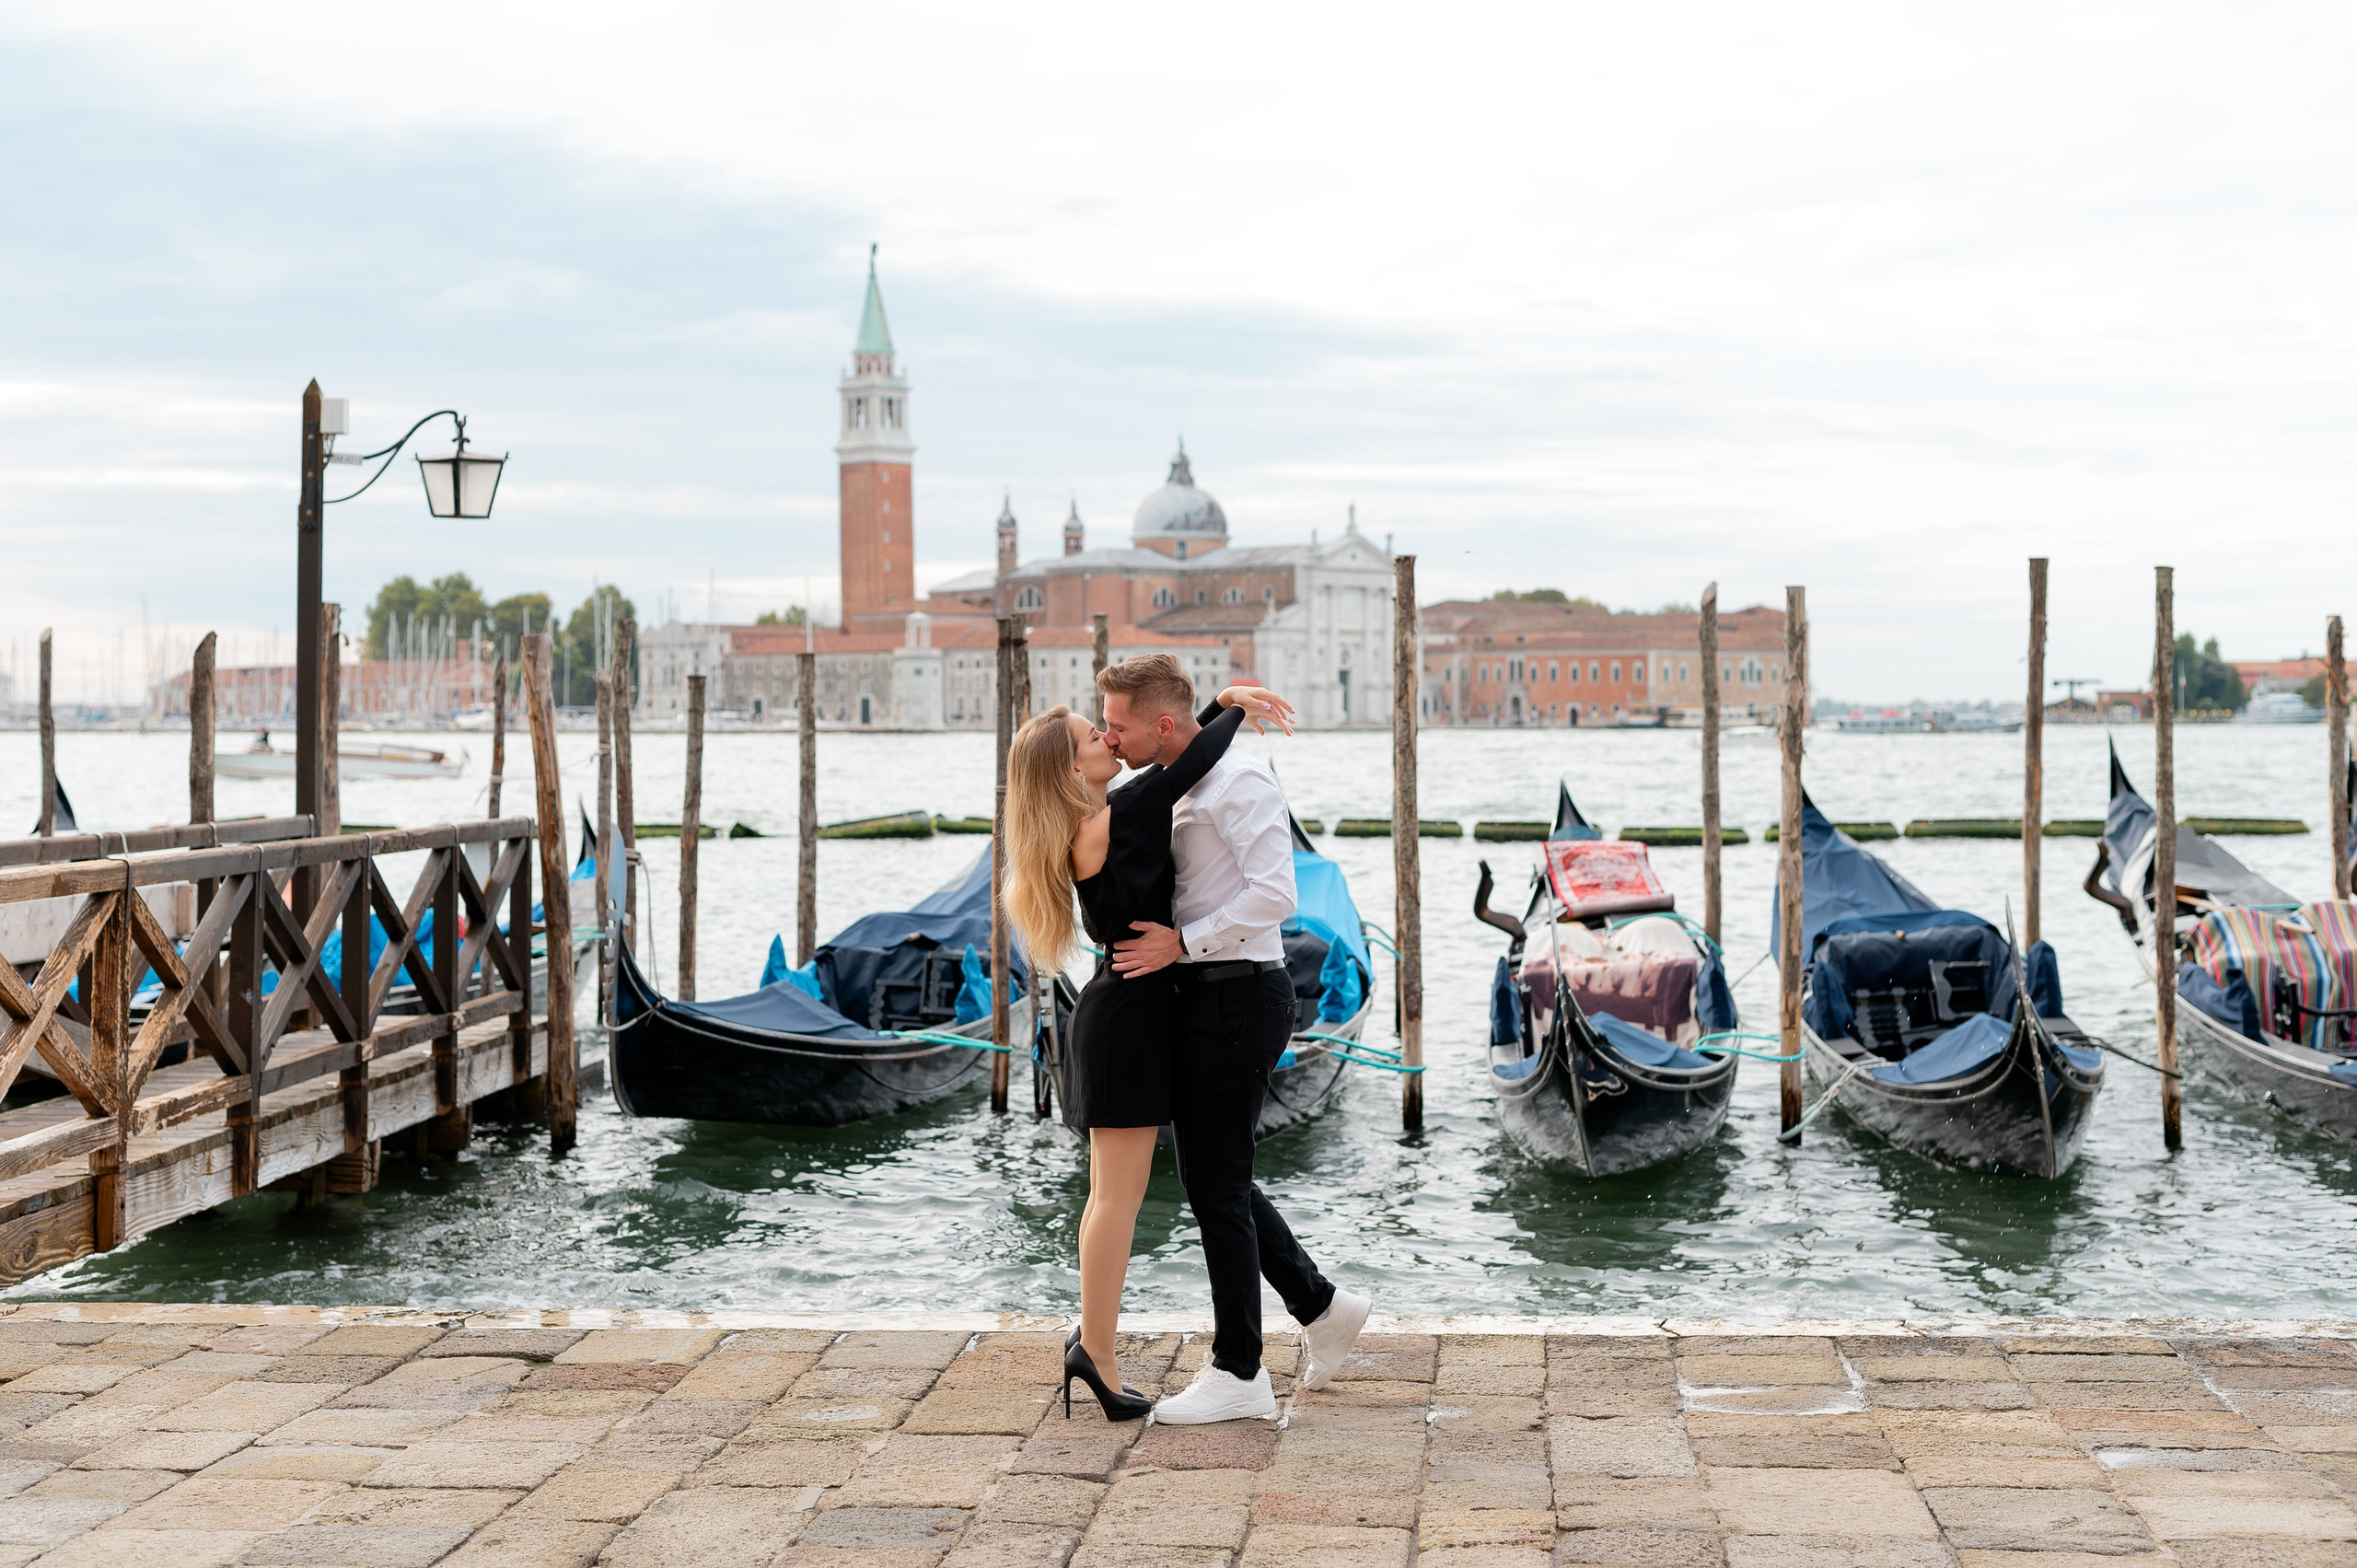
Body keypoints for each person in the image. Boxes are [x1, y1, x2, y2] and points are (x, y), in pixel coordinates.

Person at [1003, 679, 1294, 1422]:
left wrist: (1222, 708)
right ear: (1072, 769)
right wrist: (1230, 706)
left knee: (1111, 1196)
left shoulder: (1104, 818)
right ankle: (1097, 1354)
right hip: (1127, 1023)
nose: (1107, 738)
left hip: (1122, 1014)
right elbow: (1191, 757)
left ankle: (1092, 1345)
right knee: (1116, 1199)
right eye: (1090, 736)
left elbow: (1182, 756)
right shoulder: (1117, 817)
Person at [1097, 654, 1372, 1425]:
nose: (1110, 738)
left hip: (1240, 995)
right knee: (1216, 1177)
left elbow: (1276, 894)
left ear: (1160, 725)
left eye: (1117, 725)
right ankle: (1322, 1307)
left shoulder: (1240, 781)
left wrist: (1182, 942)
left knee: (1216, 1184)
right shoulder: (1178, 776)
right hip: (1204, 998)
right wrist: (1223, 701)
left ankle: (1240, 1370)